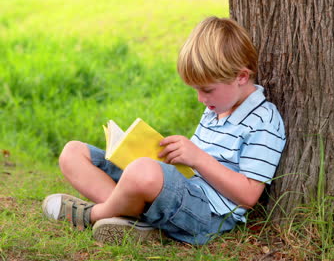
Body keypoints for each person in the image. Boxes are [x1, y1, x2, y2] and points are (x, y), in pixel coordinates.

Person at [42, 16, 286, 245]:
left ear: (241, 77)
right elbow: (187, 171)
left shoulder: (263, 120)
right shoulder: (217, 107)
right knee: (73, 153)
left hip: (207, 214)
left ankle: (93, 214)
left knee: (143, 172)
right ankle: (132, 221)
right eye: (196, 90)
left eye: (207, 90)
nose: (201, 99)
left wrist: (197, 158)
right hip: (182, 190)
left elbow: (248, 196)